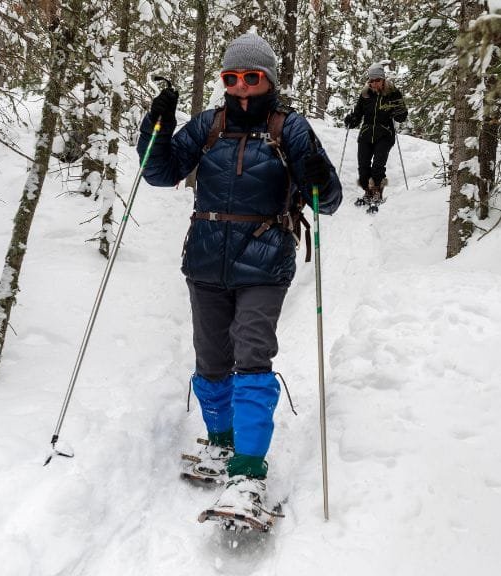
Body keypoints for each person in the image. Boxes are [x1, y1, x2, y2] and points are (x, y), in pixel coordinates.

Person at [136, 32, 342, 523]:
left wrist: (316, 173)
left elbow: (327, 200)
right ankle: (222, 444)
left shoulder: (289, 128)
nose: (242, 87)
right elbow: (159, 172)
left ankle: (248, 472)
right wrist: (157, 125)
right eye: (232, 78)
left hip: (266, 260)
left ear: (268, 78)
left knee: (251, 356)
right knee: (210, 360)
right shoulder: (208, 125)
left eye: (251, 78)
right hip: (206, 259)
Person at [343, 63, 408, 205]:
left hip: (385, 134)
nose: (373, 83)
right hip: (366, 134)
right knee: (363, 167)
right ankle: (368, 192)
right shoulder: (365, 94)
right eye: (371, 81)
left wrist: (399, 112)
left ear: (383, 79)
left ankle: (377, 192)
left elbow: (401, 117)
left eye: (377, 80)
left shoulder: (393, 93)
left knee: (378, 166)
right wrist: (351, 120)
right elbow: (358, 114)